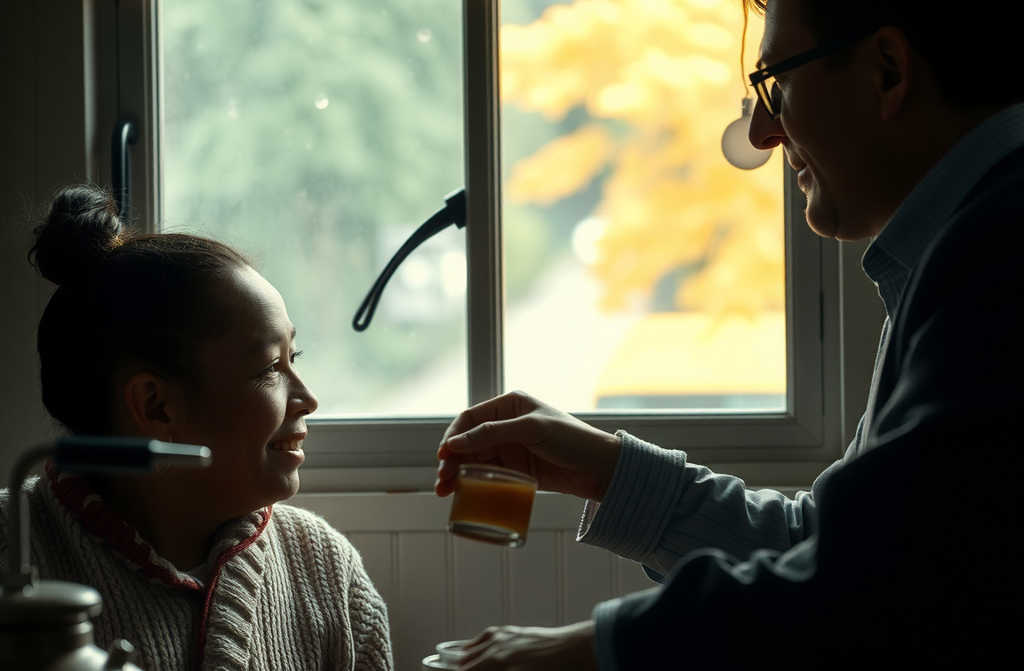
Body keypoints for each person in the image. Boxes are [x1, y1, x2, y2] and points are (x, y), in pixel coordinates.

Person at [435, 0, 1024, 667]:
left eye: (777, 84)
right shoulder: (960, 250)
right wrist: (607, 470)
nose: (763, 133)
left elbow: (867, 587)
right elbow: (828, 547)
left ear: (887, 71)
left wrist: (589, 649)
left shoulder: (998, 261)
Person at [0, 185, 394, 670]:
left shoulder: (329, 575)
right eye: (269, 368)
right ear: (156, 406)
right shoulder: (10, 548)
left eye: (295, 357)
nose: (308, 399)